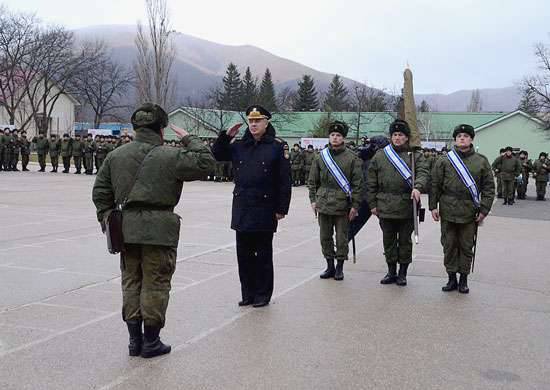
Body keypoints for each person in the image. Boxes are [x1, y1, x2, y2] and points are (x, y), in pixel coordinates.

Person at [92, 103, 216, 358]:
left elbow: (101, 193)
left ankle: (134, 342)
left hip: (125, 229)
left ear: (135, 128)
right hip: (160, 229)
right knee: (156, 283)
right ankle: (151, 342)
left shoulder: (116, 156)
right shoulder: (171, 155)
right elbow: (206, 163)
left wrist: (107, 220)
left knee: (131, 282)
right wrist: (189, 138)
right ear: (161, 129)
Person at [212, 105, 291, 308]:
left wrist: (281, 208)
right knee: (243, 255)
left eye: (258, 121)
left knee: (263, 255)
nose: (254, 124)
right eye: (251, 121)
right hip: (243, 207)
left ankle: (262, 294)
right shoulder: (240, 145)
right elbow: (218, 154)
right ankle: (247, 293)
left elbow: (284, 181)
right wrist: (226, 136)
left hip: (265, 207)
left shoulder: (276, 147)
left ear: (266, 123)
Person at [430, 124, 495, 293]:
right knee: (449, 244)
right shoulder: (444, 160)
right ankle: (451, 279)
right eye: (459, 136)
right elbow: (435, 184)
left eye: (466, 136)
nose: (462, 138)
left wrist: (484, 210)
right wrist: (432, 206)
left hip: (469, 211)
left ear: (471, 139)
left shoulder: (481, 161)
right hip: (448, 209)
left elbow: (488, 187)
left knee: (466, 246)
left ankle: (464, 280)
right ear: (455, 139)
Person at [367, 120, 429, 286]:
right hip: (385, 205)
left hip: (406, 205)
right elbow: (371, 181)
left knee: (404, 241)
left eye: (401, 135)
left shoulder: (415, 155)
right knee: (388, 240)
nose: (397, 138)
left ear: (407, 137)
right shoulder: (381, 155)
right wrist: (372, 203)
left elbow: (423, 173)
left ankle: (402, 273)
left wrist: (418, 187)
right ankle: (391, 271)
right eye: (394, 135)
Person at [308, 121, 363, 280]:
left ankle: (339, 267)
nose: (335, 138)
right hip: (323, 203)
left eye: (338, 135)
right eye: (332, 135)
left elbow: (358, 185)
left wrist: (355, 206)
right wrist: (313, 200)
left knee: (341, 238)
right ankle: (329, 266)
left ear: (343, 138)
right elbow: (312, 181)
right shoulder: (320, 157)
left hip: (342, 204)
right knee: (325, 236)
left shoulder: (352, 158)